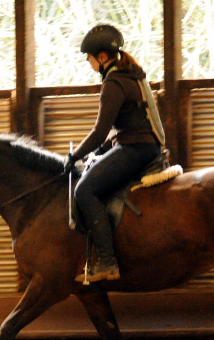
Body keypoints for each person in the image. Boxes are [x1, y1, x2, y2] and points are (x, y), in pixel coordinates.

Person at [65, 24, 165, 283]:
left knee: (84, 191)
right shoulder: (130, 74)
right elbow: (121, 127)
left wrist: (75, 156)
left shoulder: (114, 82)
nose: (88, 63)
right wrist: (96, 152)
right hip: (141, 144)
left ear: (101, 56)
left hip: (136, 149)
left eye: (89, 57)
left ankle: (108, 262)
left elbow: (100, 131)